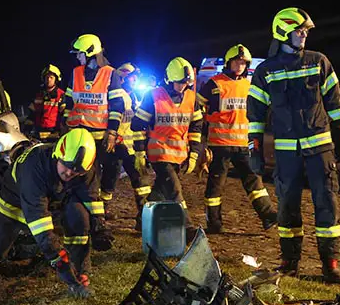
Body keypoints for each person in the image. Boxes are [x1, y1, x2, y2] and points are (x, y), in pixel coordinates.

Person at [0, 128, 113, 298]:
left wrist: (99, 225)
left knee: (79, 218)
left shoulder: (85, 167)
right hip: (14, 204)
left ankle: (81, 275)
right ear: (57, 155)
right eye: (66, 166)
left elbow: (90, 197)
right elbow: (41, 225)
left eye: (76, 172)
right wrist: (58, 258)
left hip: (51, 201)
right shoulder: (34, 167)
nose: (69, 173)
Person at [247, 7, 340, 284]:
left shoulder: (318, 61)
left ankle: (330, 265)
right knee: (287, 207)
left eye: (305, 31)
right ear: (283, 33)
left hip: (320, 150)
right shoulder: (265, 71)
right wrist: (254, 148)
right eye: (299, 30)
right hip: (287, 153)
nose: (304, 35)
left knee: (327, 203)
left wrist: (339, 134)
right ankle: (289, 263)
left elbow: (334, 102)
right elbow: (255, 114)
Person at [197, 44, 277, 233]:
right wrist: (201, 139)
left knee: (254, 182)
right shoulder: (214, 84)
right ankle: (214, 223)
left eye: (243, 63)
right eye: (236, 62)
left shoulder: (249, 85)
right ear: (228, 63)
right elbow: (197, 110)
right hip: (219, 145)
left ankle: (268, 215)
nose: (240, 66)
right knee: (216, 185)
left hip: (243, 144)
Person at [131, 57, 203, 229]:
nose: (183, 86)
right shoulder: (153, 96)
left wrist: (194, 154)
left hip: (179, 154)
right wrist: (139, 152)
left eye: (186, 83)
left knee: (161, 190)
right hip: (159, 152)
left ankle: (142, 220)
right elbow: (137, 125)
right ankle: (187, 227)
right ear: (170, 80)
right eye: (180, 82)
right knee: (174, 189)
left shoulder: (192, 98)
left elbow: (196, 127)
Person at [63, 34, 126, 177]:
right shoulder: (75, 73)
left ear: (90, 52)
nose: (77, 57)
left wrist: (112, 132)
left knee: (104, 172)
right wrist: (64, 122)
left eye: (79, 53)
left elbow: (116, 107)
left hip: (100, 137)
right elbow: (69, 102)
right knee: (82, 173)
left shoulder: (110, 73)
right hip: (78, 133)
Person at [98, 62, 151, 229]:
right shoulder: (116, 95)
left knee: (136, 179)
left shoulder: (133, 96)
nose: (135, 81)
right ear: (123, 78)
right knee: (111, 179)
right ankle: (102, 213)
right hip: (116, 145)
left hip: (128, 146)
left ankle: (142, 216)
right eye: (133, 78)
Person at [25, 64, 65, 141]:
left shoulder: (61, 95)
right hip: (38, 134)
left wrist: (61, 131)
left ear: (56, 79)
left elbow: (63, 115)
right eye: (47, 77)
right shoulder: (38, 94)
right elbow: (31, 114)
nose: (49, 79)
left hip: (55, 134)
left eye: (51, 77)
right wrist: (27, 129)